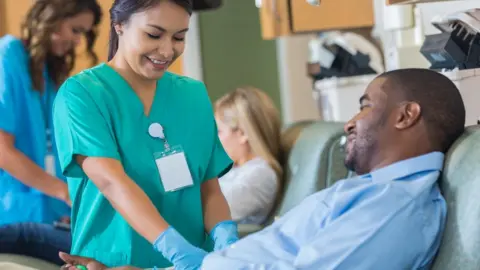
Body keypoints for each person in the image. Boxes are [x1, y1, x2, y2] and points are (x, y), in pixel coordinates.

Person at [59, 68, 466, 270]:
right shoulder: (368, 192)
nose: (349, 122)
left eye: (364, 105)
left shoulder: (395, 208)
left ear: (406, 115)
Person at [53, 0, 237, 269]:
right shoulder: (82, 94)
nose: (166, 50)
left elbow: (209, 190)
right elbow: (111, 182)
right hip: (110, 262)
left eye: (179, 37)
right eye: (153, 34)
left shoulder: (193, 95)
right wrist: (173, 247)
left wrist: (226, 238)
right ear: (119, 26)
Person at [0, 0, 102, 226]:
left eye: (83, 34)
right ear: (51, 18)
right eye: (75, 30)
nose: (77, 41)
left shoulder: (51, 72)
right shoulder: (7, 56)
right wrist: (64, 193)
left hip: (49, 213)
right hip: (13, 213)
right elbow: (2, 150)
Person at [215, 87, 283, 224]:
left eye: (219, 132)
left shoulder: (260, 174)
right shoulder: (235, 168)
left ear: (242, 134)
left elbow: (210, 213)